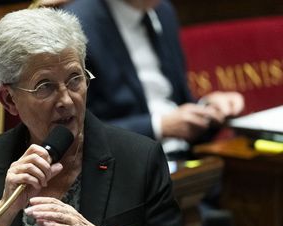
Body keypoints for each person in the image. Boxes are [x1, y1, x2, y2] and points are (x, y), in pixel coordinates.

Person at [0, 7, 184, 226]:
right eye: (45, 86)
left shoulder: (140, 161)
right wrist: (3, 212)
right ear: (9, 100)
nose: (67, 100)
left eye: (74, 79)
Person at [64, 0, 244, 159]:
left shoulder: (163, 11)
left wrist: (208, 108)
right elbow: (79, 131)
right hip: (126, 170)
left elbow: (177, 105)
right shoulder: (78, 24)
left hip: (185, 160)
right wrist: (159, 127)